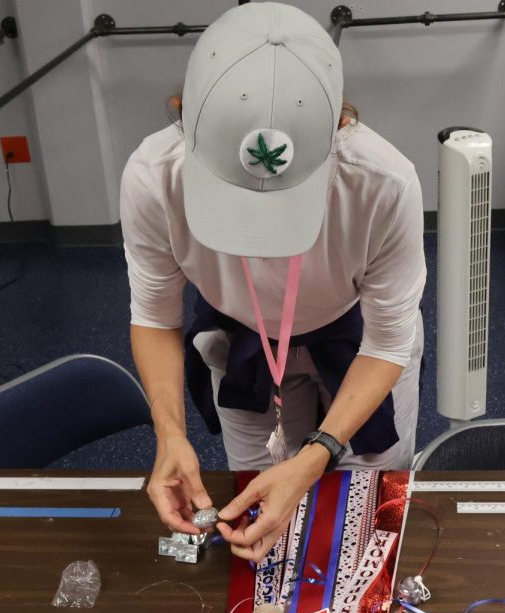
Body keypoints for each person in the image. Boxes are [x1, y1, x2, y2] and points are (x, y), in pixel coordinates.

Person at [120, 2, 425, 562]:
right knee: (258, 507)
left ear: (340, 127)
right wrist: (170, 434)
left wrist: (317, 454)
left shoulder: (384, 184)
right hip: (245, 341)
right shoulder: (153, 177)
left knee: (367, 502)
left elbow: (387, 342)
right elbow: (155, 316)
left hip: (359, 344)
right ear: (183, 116)